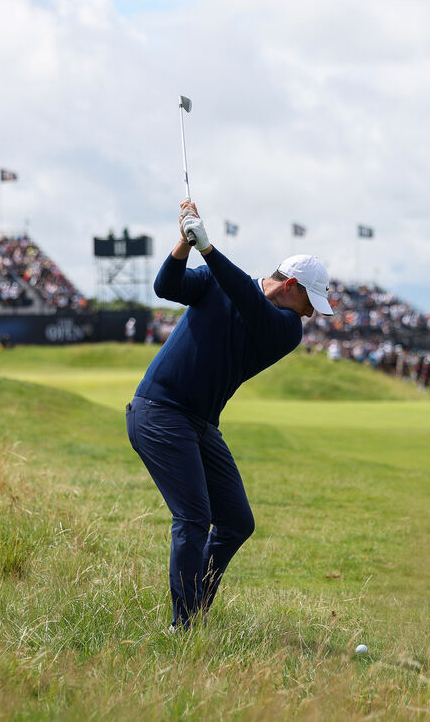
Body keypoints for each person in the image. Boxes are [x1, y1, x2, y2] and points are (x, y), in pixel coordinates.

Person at [126, 201, 334, 631]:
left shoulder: (286, 329)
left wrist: (210, 249)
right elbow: (166, 285)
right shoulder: (218, 283)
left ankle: (195, 607)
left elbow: (250, 302)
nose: (312, 313)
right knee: (194, 518)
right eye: (310, 301)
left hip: (199, 424)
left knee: (237, 521)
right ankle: (183, 627)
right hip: (159, 411)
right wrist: (185, 244)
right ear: (292, 284)